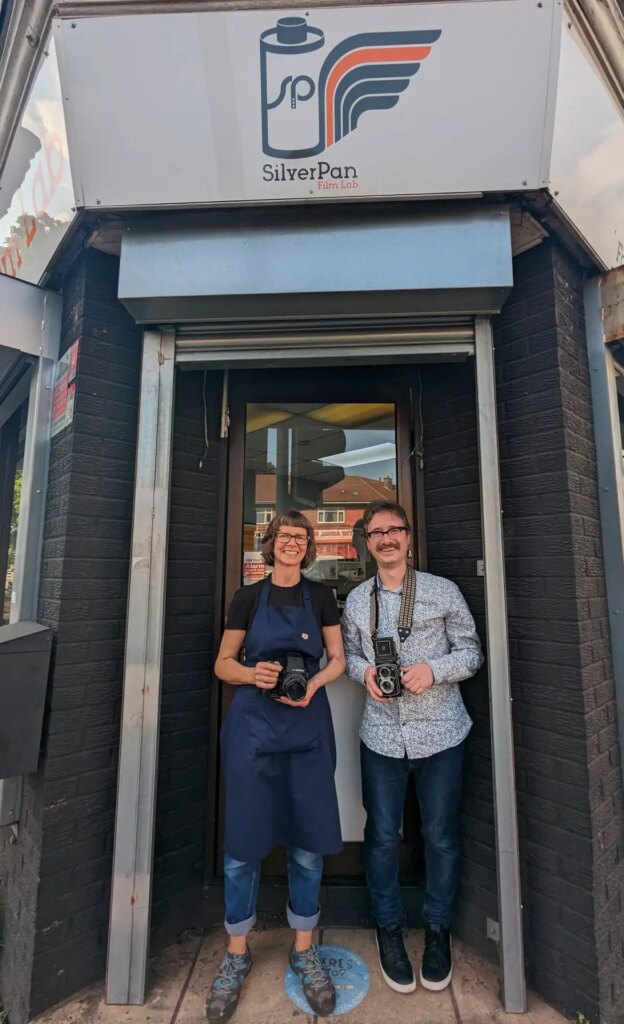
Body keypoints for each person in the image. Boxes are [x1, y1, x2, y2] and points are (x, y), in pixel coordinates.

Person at [207, 510, 346, 1023]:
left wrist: (310, 685)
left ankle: (304, 947)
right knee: (243, 846)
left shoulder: (322, 597)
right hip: (252, 729)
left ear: (309, 547)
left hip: (307, 727)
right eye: (284, 536)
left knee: (309, 844)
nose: (293, 543)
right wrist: (252, 673)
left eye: (301, 537)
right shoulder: (247, 597)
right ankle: (236, 953)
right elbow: (222, 662)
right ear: (270, 544)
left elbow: (338, 659)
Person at [342, 500, 483, 996]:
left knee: (441, 836)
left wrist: (434, 671)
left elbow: (472, 652)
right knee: (382, 836)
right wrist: (362, 673)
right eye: (376, 532)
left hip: (442, 733)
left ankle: (438, 931)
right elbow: (350, 655)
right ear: (367, 540)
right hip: (381, 736)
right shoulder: (358, 600)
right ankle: (389, 930)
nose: (385, 539)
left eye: (393, 530)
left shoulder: (444, 592)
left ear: (408, 536)